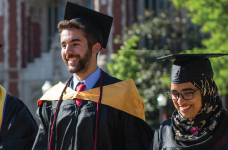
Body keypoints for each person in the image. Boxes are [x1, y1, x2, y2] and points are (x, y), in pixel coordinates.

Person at [33, 2, 153, 150]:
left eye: (75, 44)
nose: (67, 51)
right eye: (63, 45)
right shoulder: (53, 99)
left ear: (96, 48)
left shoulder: (122, 96)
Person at [151, 54, 228, 150]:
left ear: (207, 92)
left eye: (188, 93)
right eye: (174, 94)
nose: (180, 100)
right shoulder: (163, 132)